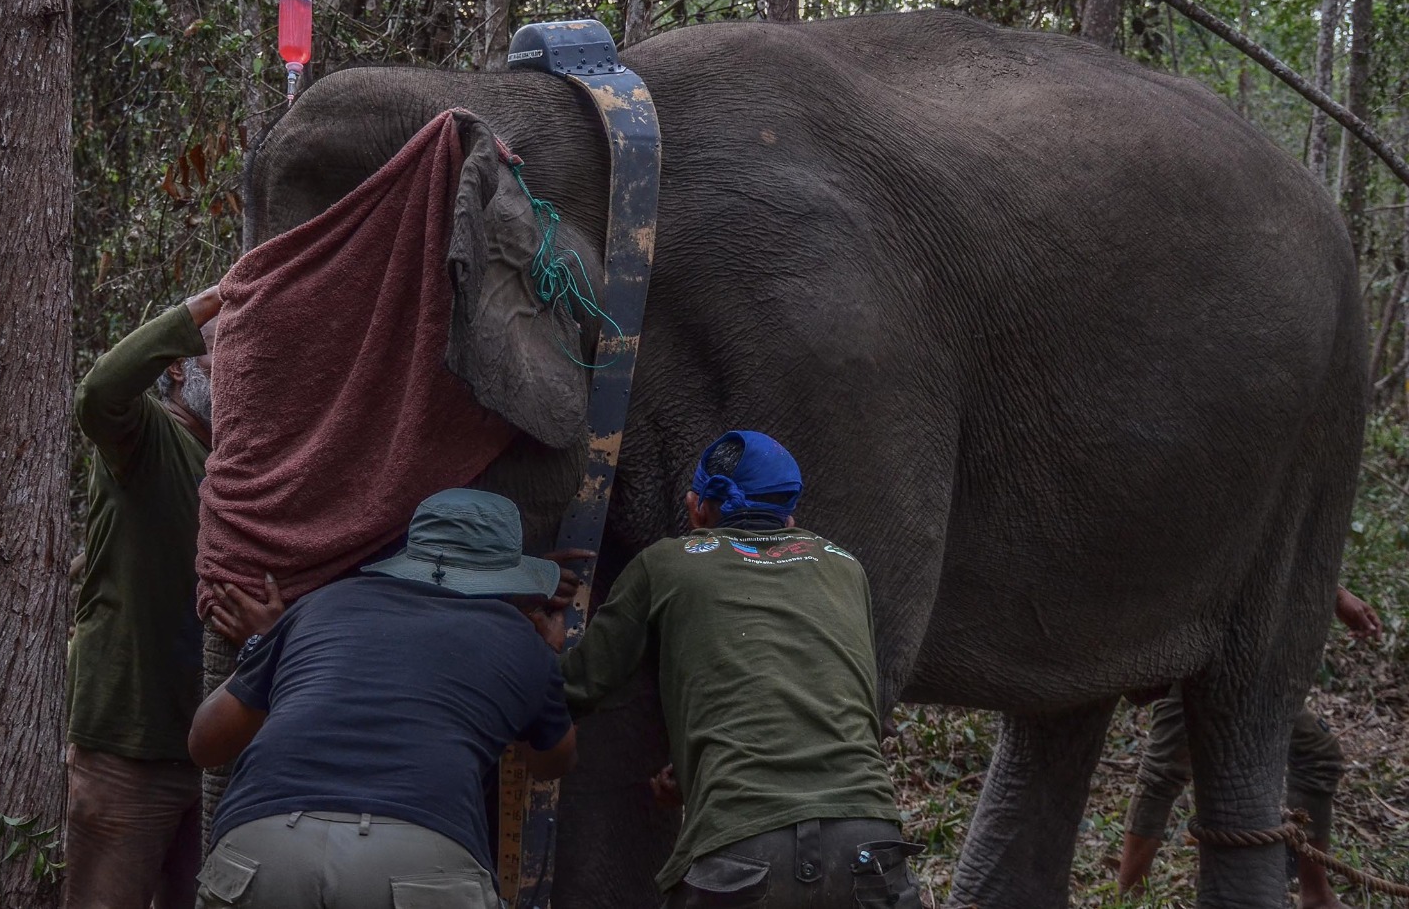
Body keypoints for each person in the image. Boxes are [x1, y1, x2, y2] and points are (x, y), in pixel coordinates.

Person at [551, 431, 921, 909]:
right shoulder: (843, 565)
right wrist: (693, 776)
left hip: (741, 848)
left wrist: (538, 642)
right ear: (790, 514)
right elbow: (840, 704)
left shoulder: (666, 563)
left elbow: (577, 686)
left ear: (698, 507)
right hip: (868, 841)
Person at [189, 488, 578, 909]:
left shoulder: (320, 606)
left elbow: (205, 743)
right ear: (509, 581)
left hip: (261, 847)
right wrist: (543, 668)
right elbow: (552, 762)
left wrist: (266, 653)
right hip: (418, 860)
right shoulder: (523, 641)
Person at [65, 284, 282, 909]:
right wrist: (207, 306)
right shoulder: (148, 437)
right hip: (132, 745)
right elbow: (98, 394)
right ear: (181, 367)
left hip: (219, 746)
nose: (242, 375)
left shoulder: (239, 473)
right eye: (226, 357)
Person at [1117, 586, 1384, 909]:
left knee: (1318, 754)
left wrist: (1334, 595)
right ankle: (1128, 899)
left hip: (1253, 651)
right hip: (1201, 640)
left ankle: (1316, 895)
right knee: (1164, 771)